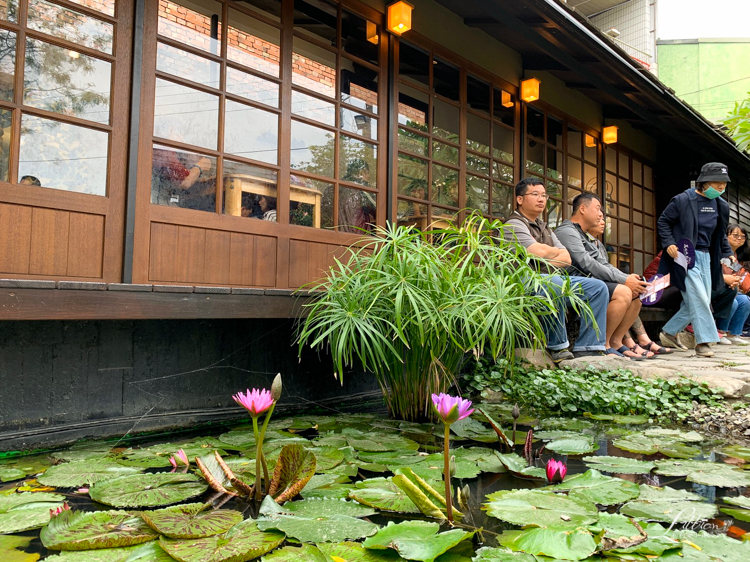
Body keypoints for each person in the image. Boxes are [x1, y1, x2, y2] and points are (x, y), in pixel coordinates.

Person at [503, 178, 610, 362]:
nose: (541, 199)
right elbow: (535, 252)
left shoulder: (546, 228)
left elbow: (567, 258)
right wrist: (552, 252)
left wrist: (546, 252)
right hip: (521, 283)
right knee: (555, 282)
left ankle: (589, 347)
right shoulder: (514, 224)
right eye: (535, 194)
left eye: (544, 195)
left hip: (549, 280)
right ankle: (558, 347)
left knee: (598, 288)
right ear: (520, 199)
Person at [555, 193, 652, 359]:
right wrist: (624, 280)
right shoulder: (567, 231)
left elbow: (604, 264)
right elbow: (586, 263)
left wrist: (628, 278)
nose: (601, 214)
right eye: (598, 209)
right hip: (571, 286)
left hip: (590, 284)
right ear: (583, 209)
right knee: (623, 292)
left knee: (635, 292)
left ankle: (616, 341)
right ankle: (604, 344)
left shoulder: (585, 235)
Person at [656, 162, 735, 357]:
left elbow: (720, 233)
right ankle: (704, 342)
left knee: (703, 298)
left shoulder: (721, 205)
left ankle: (669, 331)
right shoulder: (683, 199)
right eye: (717, 185)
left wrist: (727, 252)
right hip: (684, 254)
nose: (721, 189)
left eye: (724, 186)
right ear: (704, 183)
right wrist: (668, 243)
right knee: (700, 296)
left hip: (707, 256)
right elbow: (664, 221)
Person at [716, 224, 750, 345]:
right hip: (715, 287)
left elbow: (737, 276)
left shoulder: (736, 257)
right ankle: (720, 332)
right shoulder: (717, 251)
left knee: (745, 300)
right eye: (735, 235)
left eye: (743, 236)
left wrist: (735, 282)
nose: (739, 238)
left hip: (729, 288)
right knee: (733, 301)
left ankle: (733, 333)